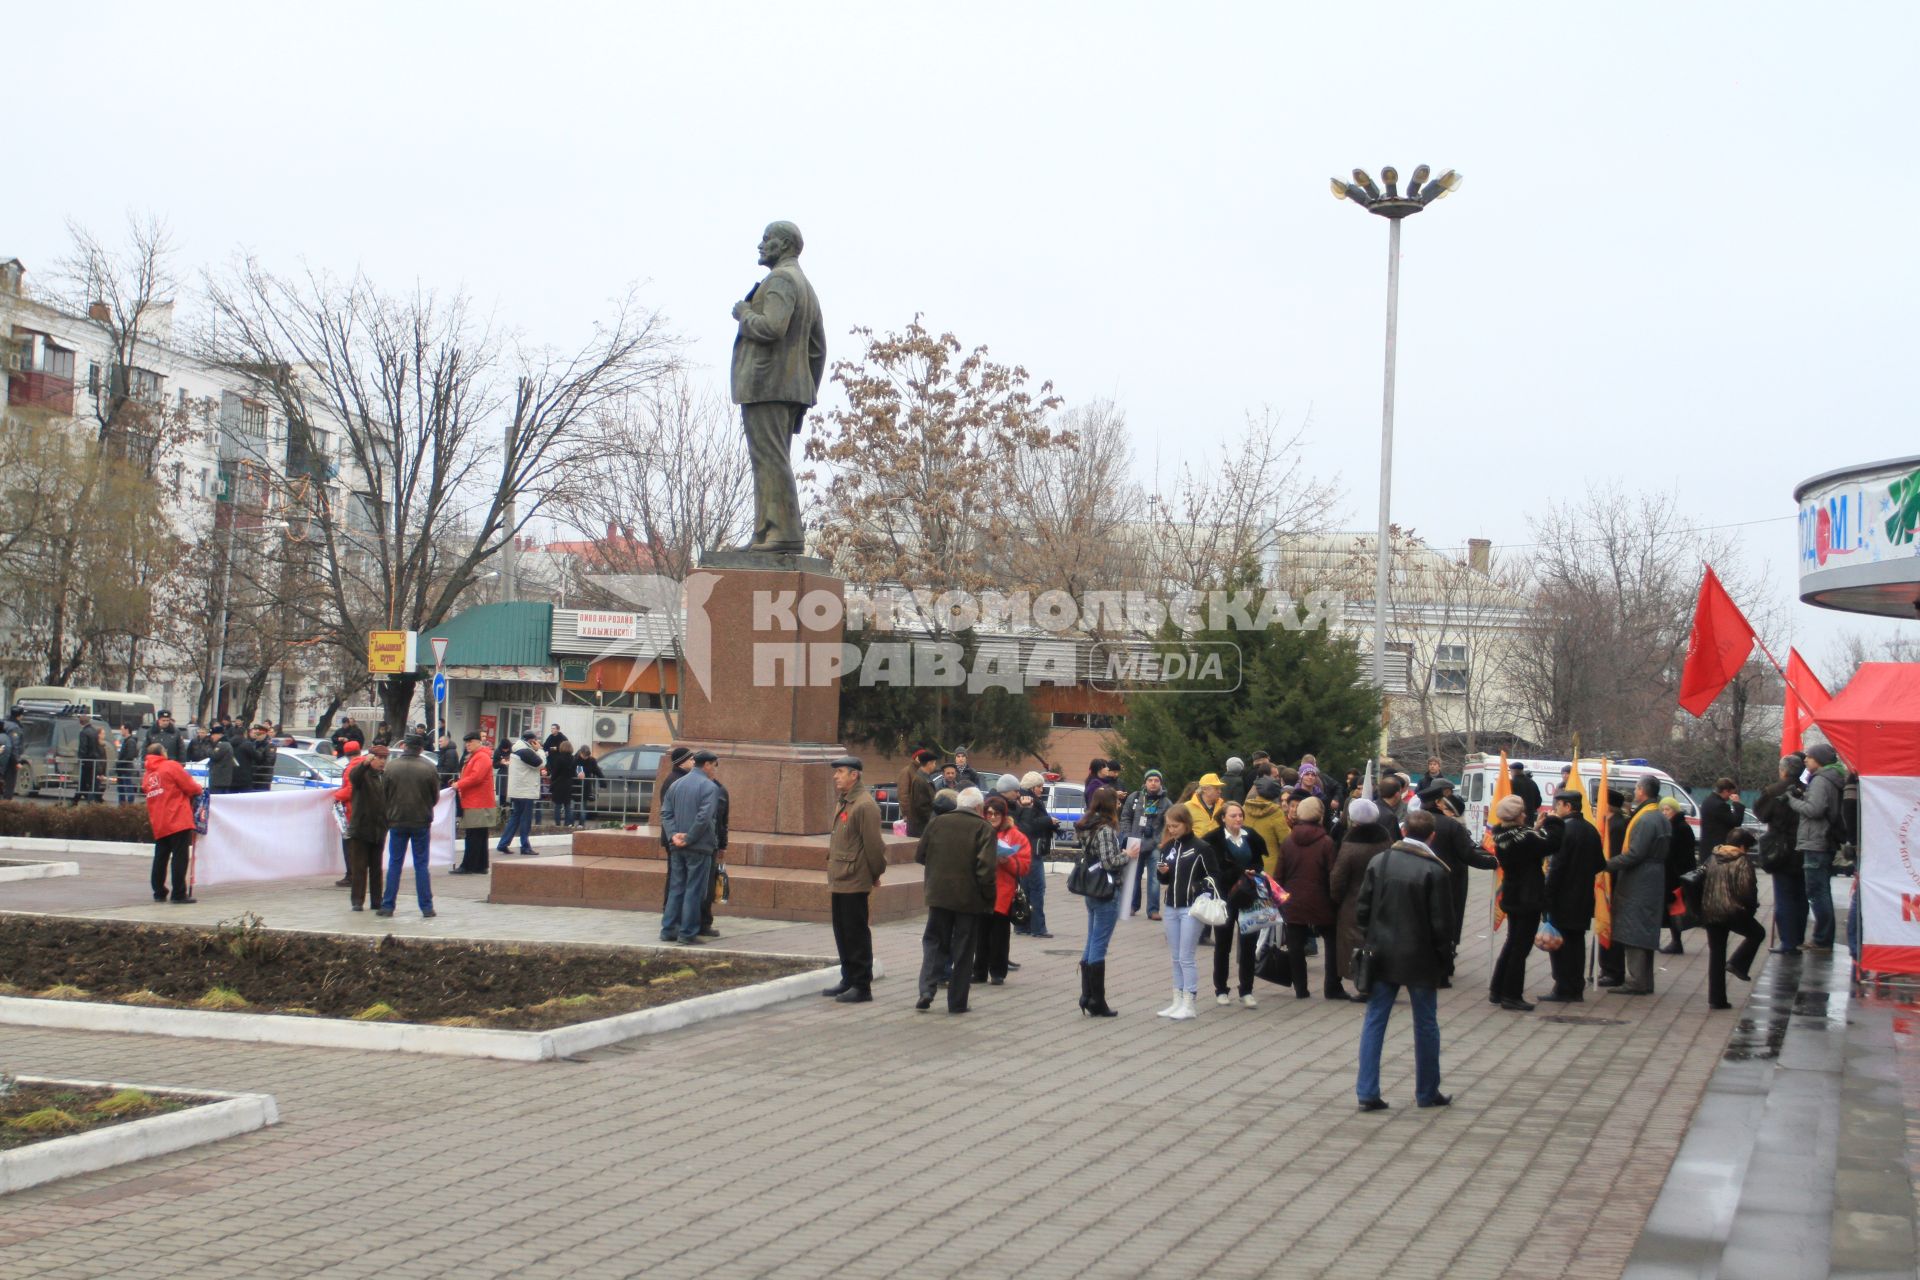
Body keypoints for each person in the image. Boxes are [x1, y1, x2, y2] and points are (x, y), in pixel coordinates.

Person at [1354, 809, 1456, 1112]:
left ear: (1402, 831)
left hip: (1381, 953)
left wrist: (1371, 936)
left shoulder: (1380, 861)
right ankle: (1427, 1092)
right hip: (1420, 956)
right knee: (1426, 1023)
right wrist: (1443, 960)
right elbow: (1442, 924)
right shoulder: (1436, 871)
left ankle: (1366, 1092)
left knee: (1375, 1020)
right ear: (1432, 837)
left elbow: (1362, 909)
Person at [915, 786, 994, 1014]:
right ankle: (957, 1002)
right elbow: (986, 869)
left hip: (938, 895)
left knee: (934, 942)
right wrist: (988, 897)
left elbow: (920, 855)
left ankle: (926, 990)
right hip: (969, 899)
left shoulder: (937, 823)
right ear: (979, 807)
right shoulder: (983, 827)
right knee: (963, 949)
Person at [824, 755, 888, 1000]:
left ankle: (862, 986)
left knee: (856, 933)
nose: (835, 776)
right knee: (842, 931)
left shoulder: (864, 805)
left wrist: (875, 873)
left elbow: (874, 847)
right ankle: (848, 978)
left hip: (854, 878)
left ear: (855, 775)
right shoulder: (845, 802)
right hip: (840, 877)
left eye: (840, 771)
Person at [1605, 776, 1671, 995]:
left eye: (1636, 788)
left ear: (1642, 791)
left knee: (1635, 928)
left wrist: (1607, 864)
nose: (1635, 791)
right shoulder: (1658, 815)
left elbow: (1635, 854)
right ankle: (1644, 980)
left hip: (1640, 878)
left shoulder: (1646, 819)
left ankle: (1636, 980)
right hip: (1652, 876)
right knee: (1644, 927)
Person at [1278, 796, 1348, 1000]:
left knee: (1295, 945)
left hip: (1293, 901)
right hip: (1322, 901)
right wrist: (1335, 899)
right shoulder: (1326, 842)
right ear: (1320, 816)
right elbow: (1332, 874)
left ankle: (1301, 988)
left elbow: (1279, 875)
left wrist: (1280, 901)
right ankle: (1332, 986)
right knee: (1332, 940)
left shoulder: (1288, 841)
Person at [1487, 796, 1551, 1012]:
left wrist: (1536, 827)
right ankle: (1512, 995)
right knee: (1520, 948)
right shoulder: (1526, 838)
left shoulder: (1501, 835)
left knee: (1511, 942)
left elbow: (1527, 841)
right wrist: (1555, 823)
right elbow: (1550, 844)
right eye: (1523, 812)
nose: (1526, 814)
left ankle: (1497, 989)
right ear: (1518, 816)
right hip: (1528, 897)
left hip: (1512, 895)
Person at [1539, 788, 1603, 1003]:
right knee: (1576, 943)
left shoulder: (1563, 831)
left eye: (1557, 805)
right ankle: (1576, 986)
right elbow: (1600, 864)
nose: (1555, 809)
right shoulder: (1591, 830)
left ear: (1567, 806)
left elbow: (1556, 867)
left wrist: (1546, 895)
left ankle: (1563, 987)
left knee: (1559, 943)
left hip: (1562, 896)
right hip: (1584, 895)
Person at [1204, 801, 1270, 1006]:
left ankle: (1246, 990)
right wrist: (1238, 872)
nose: (1238, 819)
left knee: (1249, 943)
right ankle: (1221, 989)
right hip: (1225, 896)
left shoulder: (1250, 836)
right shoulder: (1213, 839)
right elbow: (1213, 870)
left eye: (1240, 815)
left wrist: (1254, 870)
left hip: (1248, 896)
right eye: (1233, 815)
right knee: (1223, 944)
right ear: (1223, 818)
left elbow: (1259, 861)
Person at [1072, 787, 1129, 1017]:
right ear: (1110, 804)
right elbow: (1109, 862)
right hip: (1106, 889)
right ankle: (1097, 999)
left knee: (1091, 939)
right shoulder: (1104, 829)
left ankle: (1087, 995)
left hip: (1091, 889)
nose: (1118, 804)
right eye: (1115, 801)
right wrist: (1128, 855)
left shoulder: (1085, 825)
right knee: (1099, 944)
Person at [656, 749, 723, 945]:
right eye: (715, 765)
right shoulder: (709, 788)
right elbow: (704, 818)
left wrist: (674, 835)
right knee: (694, 890)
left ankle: (668, 929)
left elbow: (666, 813)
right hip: (699, 846)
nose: (715, 770)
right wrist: (689, 837)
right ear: (708, 765)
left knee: (676, 888)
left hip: (677, 845)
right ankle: (687, 933)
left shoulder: (676, 784)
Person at [1330, 798, 1396, 990]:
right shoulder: (1386, 842)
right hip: (1383, 899)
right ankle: (1380, 978)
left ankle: (1361, 980)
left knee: (1355, 942)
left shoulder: (1349, 846)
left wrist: (1337, 900)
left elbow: (1337, 878)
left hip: (1353, 902)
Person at [1786, 742, 1845, 953]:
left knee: (1817, 892)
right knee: (1822, 891)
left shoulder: (1821, 780)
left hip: (1816, 841)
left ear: (1819, 759)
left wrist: (1792, 801)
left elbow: (1815, 809)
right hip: (1823, 840)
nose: (1805, 760)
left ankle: (1822, 939)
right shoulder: (1831, 778)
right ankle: (1823, 938)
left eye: (1809, 757)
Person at [1421, 784, 1499, 943]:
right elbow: (1467, 854)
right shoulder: (1451, 825)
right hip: (1450, 879)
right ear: (1438, 803)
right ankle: (1448, 947)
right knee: (1449, 914)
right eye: (1442, 801)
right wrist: (1492, 862)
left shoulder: (1414, 821)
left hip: (1418, 876)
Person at [1153, 806, 1211, 1021]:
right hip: (1170, 906)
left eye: (1175, 826)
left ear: (1186, 824)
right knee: (1175, 957)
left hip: (1191, 907)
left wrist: (1200, 888)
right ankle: (1176, 1000)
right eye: (1169, 826)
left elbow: (1213, 876)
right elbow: (1165, 881)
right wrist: (1163, 874)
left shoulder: (1201, 847)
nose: (1172, 830)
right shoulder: (1168, 847)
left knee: (1186, 957)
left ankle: (1189, 1003)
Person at [377, 736, 441, 919]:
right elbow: (434, 797)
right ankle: (426, 907)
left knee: (394, 863)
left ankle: (388, 906)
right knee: (421, 864)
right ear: (420, 748)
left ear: (405, 746)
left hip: (396, 821)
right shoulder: (428, 767)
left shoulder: (391, 767)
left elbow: (384, 794)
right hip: (421, 821)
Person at [1701, 829, 1765, 1010]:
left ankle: (1716, 999)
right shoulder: (1742, 861)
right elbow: (1747, 891)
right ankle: (1737, 963)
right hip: (1733, 912)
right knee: (1758, 933)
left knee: (1716, 954)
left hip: (1710, 910)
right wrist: (1750, 910)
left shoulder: (1712, 857)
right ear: (1742, 846)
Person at [973, 794, 1031, 988]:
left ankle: (997, 972)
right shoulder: (978, 830)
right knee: (980, 934)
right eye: (988, 813)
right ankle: (979, 971)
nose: (992, 817)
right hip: (980, 890)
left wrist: (1007, 861)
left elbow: (1023, 866)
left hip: (1002, 893)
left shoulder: (1015, 836)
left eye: (996, 813)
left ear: (1004, 815)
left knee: (999, 935)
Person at [1754, 754, 1806, 953]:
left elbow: (1761, 813)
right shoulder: (1807, 790)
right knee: (1800, 895)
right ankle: (1798, 937)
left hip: (1781, 849)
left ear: (1783, 770)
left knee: (1784, 896)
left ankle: (1788, 941)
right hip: (1803, 847)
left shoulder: (1774, 791)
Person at [142, 741, 202, 904]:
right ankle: (178, 893)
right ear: (162, 753)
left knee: (160, 857)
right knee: (179, 856)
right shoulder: (170, 766)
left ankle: (159, 892)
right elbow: (190, 787)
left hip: (159, 821)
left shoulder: (148, 775)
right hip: (177, 818)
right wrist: (199, 790)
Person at [333, 742, 388, 911]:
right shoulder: (361, 773)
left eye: (384, 758)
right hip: (360, 827)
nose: (382, 761)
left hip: (379, 828)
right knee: (359, 867)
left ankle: (377, 901)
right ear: (370, 758)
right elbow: (354, 777)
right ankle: (357, 901)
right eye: (379, 758)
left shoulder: (384, 776)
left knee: (376, 868)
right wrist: (364, 764)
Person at [1120, 769, 1169, 919]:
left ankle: (1153, 910)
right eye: (1150, 780)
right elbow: (1126, 817)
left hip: (1155, 844)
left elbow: (1170, 824)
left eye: (1156, 780)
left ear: (1160, 783)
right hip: (1135, 842)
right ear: (1145, 782)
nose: (1153, 783)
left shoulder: (1166, 802)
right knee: (1134, 876)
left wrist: (1161, 840)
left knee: (1154, 878)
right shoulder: (1134, 798)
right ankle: (1132, 906)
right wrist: (1128, 835)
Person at [1013, 771, 1057, 939]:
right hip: (1032, 849)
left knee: (1024, 889)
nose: (1042, 789)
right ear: (1032, 787)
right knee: (1037, 888)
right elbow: (1030, 825)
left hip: (1023, 850)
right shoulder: (1030, 802)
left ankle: (1022, 924)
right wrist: (1049, 821)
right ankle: (1038, 927)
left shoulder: (1020, 800)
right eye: (1040, 786)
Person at [1657, 795, 1698, 955]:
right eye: (1663, 809)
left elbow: (1678, 853)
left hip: (1676, 874)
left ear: (1674, 810)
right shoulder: (1674, 825)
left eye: (1668, 809)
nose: (1665, 812)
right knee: (1671, 908)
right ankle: (1675, 941)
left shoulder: (1679, 827)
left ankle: (1676, 941)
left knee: (1674, 907)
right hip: (1673, 873)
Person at [454, 732, 497, 875]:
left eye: (470, 742)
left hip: (477, 802)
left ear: (479, 742)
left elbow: (476, 778)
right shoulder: (477, 756)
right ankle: (480, 865)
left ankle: (468, 865)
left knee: (473, 835)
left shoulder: (481, 757)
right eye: (466, 742)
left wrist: (458, 784)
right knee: (479, 834)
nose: (467, 744)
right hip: (478, 801)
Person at [497, 732, 544, 857]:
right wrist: (539, 750)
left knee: (516, 817)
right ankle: (525, 846)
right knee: (525, 820)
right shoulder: (526, 751)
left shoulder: (517, 749)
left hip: (517, 790)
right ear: (531, 741)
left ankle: (503, 843)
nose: (537, 742)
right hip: (525, 791)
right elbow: (541, 764)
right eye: (535, 740)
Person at [1242, 772, 1291, 876]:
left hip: (1246, 864)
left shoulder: (1244, 809)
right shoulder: (1276, 812)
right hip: (1270, 866)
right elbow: (1285, 839)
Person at [1699, 778, 1746, 853]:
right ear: (1725, 791)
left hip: (1706, 845)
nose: (1731, 796)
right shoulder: (1721, 805)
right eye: (1731, 793)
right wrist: (1737, 804)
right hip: (1718, 847)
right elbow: (1736, 821)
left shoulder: (1707, 801)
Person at [901, 749, 937, 838]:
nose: (935, 766)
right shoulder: (920, 780)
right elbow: (921, 805)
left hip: (922, 825)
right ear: (929, 764)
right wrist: (933, 819)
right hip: (920, 826)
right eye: (934, 763)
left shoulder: (924, 778)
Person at [73, 713, 108, 805]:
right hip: (95, 761)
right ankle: (78, 801)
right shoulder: (94, 731)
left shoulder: (83, 733)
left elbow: (83, 748)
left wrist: (81, 759)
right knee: (91, 783)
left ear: (81, 722)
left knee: (83, 783)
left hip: (86, 762)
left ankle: (79, 802)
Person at [547, 737, 578, 829]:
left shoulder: (558, 758)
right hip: (568, 783)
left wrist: (552, 780)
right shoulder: (573, 759)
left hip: (559, 783)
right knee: (567, 805)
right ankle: (567, 823)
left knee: (557, 805)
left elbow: (555, 772)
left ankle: (557, 823)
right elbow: (574, 772)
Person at [1186, 773, 1225, 841]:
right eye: (1216, 788)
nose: (1220, 791)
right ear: (1204, 789)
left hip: (1218, 848)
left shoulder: (1223, 807)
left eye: (1220, 788)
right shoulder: (1187, 807)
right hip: (1197, 849)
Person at [202, 726, 238, 795]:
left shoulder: (223, 744)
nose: (211, 737)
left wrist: (208, 748)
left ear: (219, 734)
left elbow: (214, 756)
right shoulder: (223, 744)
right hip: (220, 780)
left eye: (213, 735)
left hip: (219, 780)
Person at [576, 746, 603, 816]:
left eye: (587, 756)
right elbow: (571, 770)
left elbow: (597, 771)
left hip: (585, 786)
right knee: (574, 806)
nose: (585, 758)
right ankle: (572, 824)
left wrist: (602, 781)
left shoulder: (591, 760)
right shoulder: (575, 759)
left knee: (583, 805)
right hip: (576, 786)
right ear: (580, 753)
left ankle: (581, 824)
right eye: (584, 756)